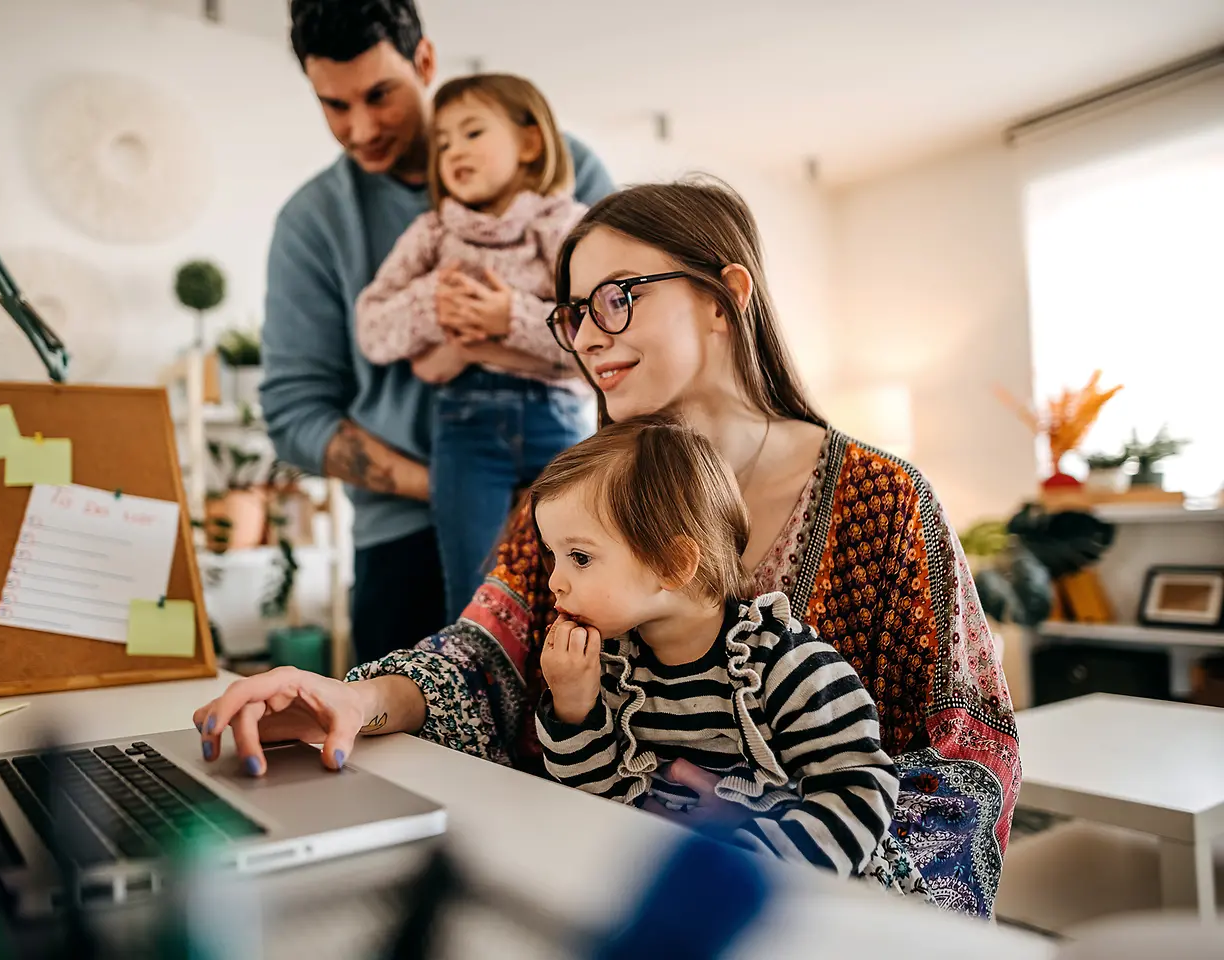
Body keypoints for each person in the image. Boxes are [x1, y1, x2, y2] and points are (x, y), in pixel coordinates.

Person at [198, 179, 1020, 918]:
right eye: (574, 313)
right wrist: (354, 700)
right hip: (602, 899)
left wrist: (775, 876)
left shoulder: (884, 501)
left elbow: (968, 767)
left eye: (616, 298)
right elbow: (485, 659)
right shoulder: (575, 498)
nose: (588, 337)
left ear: (725, 297)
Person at [263, 0, 614, 664]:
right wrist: (456, 486)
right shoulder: (313, 222)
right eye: (334, 105)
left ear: (424, 61)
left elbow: (616, 333)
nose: (361, 128)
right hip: (401, 545)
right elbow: (293, 413)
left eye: (379, 95)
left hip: (570, 503)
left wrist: (497, 334)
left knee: (569, 701)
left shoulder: (562, 175)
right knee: (429, 711)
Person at [531, 416, 919, 895]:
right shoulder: (615, 663)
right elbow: (593, 801)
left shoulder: (780, 661)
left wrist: (740, 861)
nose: (555, 581)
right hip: (679, 887)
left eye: (580, 557)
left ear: (673, 564)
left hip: (801, 892)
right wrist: (573, 703)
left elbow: (860, 788)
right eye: (553, 555)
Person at [355, 73, 591, 621]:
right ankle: (480, 677)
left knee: (571, 584)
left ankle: (567, 677)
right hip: (465, 429)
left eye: (472, 132)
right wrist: (434, 300)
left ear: (529, 142)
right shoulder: (434, 232)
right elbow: (371, 329)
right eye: (442, 143)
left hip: (557, 422)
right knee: (473, 595)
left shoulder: (565, 226)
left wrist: (510, 318)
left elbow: (595, 334)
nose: (453, 151)